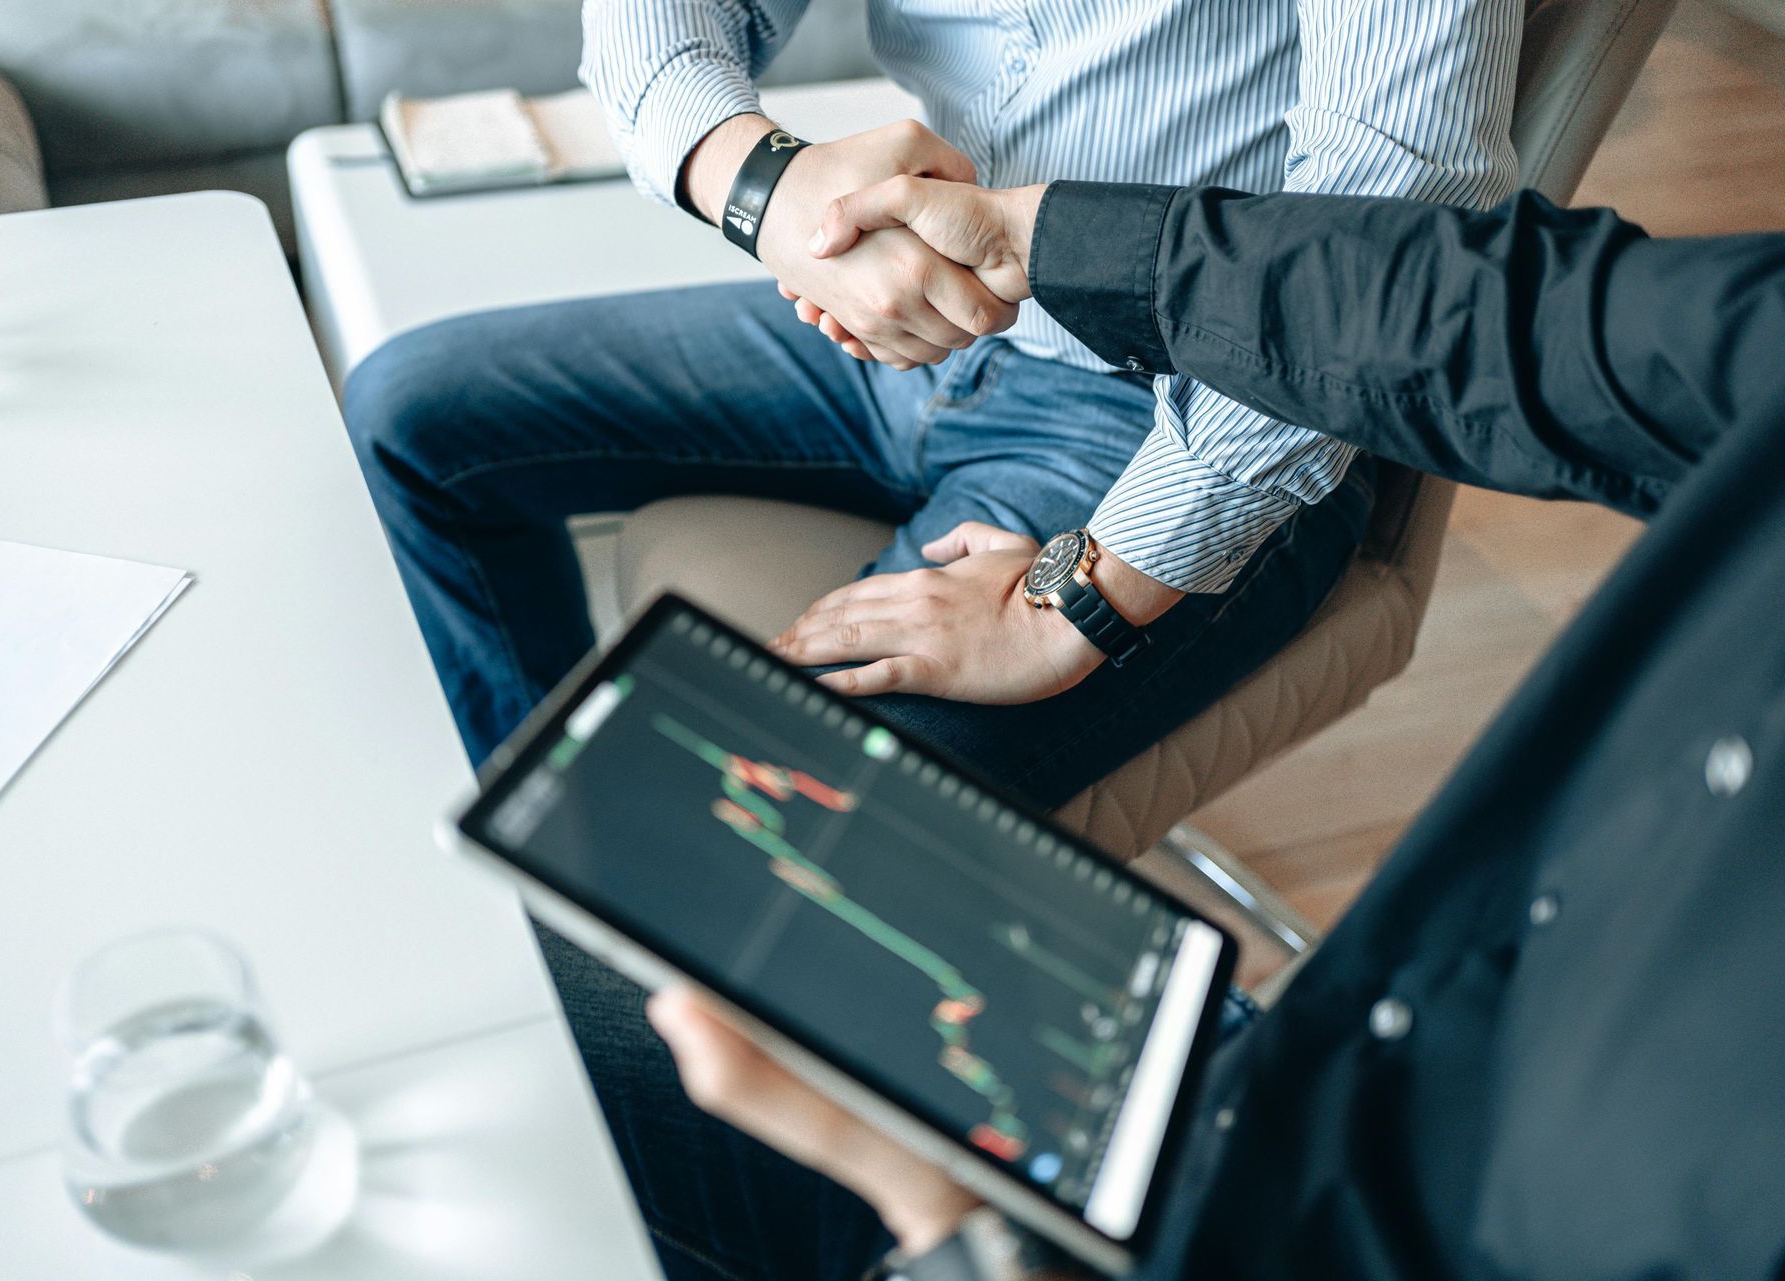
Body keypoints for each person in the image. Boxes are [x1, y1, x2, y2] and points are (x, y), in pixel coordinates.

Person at [635, 177, 1785, 1279]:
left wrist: (960, 1232)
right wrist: (1033, 235)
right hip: (1300, 1065)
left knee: (674, 1030)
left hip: (1277, 1225)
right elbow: (1500, 316)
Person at [341, 0, 1524, 805]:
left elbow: (1394, 214)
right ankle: (567, 832)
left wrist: (1084, 600)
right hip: (904, 321)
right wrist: (766, 186)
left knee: (779, 815)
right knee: (411, 418)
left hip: (1186, 398)